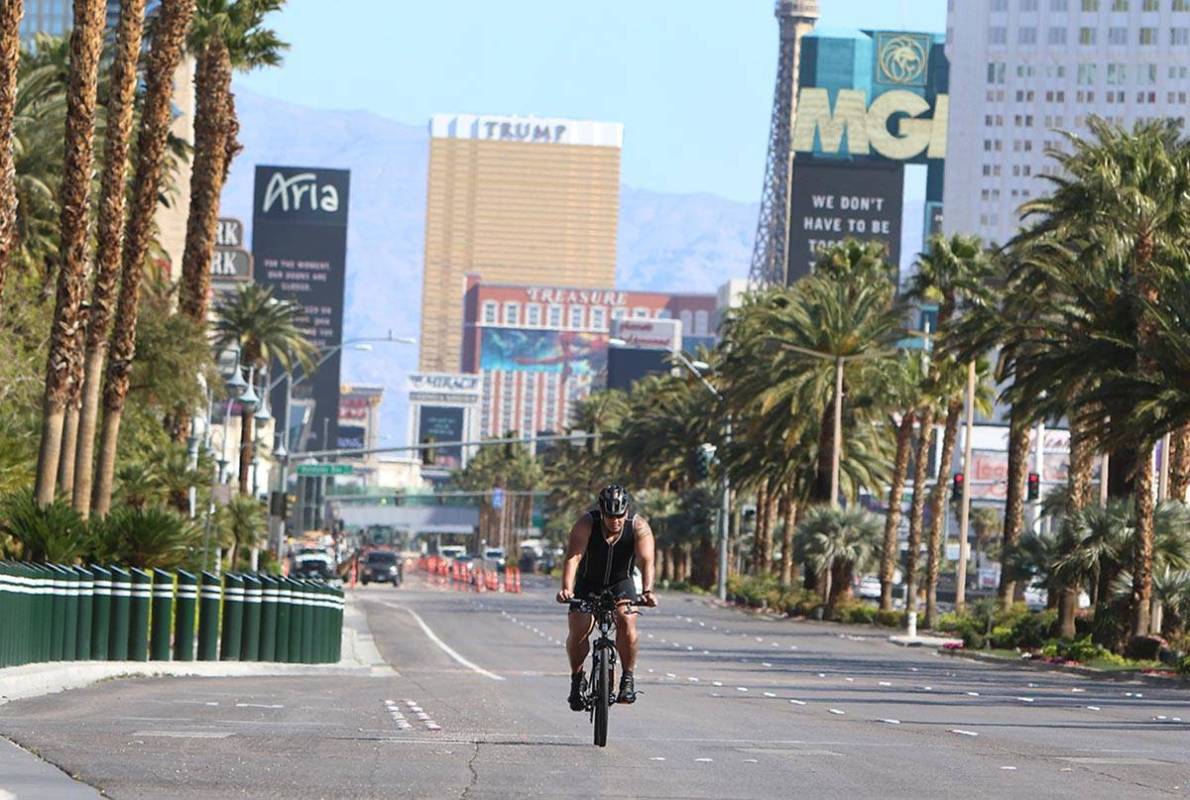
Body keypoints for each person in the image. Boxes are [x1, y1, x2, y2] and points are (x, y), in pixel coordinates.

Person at [555, 484, 656, 711]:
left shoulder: (639, 527)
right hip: (588, 583)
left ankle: (627, 678)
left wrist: (648, 591)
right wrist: (566, 589)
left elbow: (646, 561)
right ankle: (576, 678)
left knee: (627, 620)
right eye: (610, 516)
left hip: (621, 583)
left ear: (626, 512)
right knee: (579, 629)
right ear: (601, 512)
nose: (615, 521)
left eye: (620, 516)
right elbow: (573, 558)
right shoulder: (586, 523)